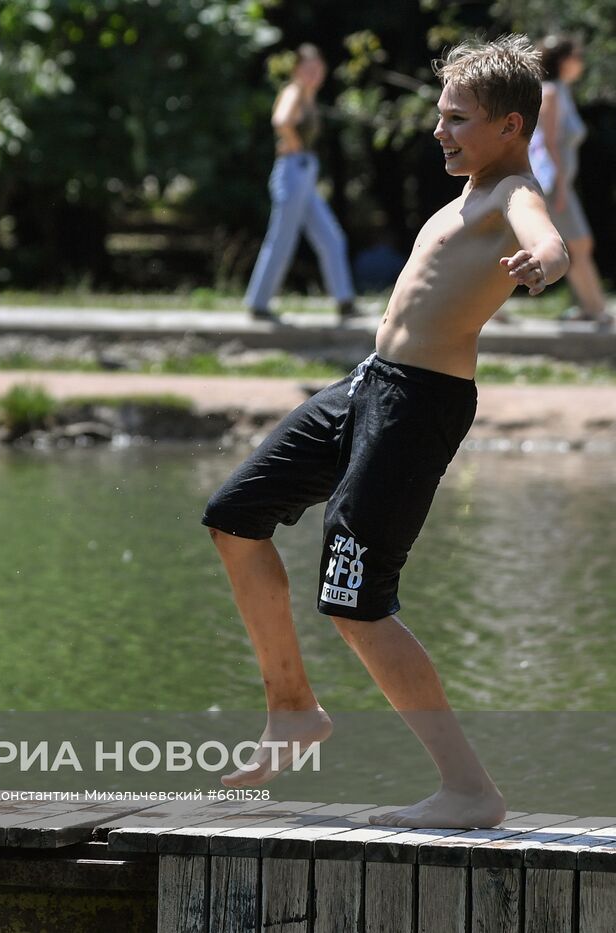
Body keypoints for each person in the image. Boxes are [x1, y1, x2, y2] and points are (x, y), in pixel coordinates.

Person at [202, 36, 568, 828]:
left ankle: (469, 789)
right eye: (439, 116)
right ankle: (292, 708)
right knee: (235, 517)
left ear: (509, 126)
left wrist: (543, 262)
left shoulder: (511, 192)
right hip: (369, 384)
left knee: (356, 599)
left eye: (458, 119)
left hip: (419, 404)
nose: (441, 131)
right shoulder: (468, 187)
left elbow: (548, 237)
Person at [244, 43, 358, 325]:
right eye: (308, 69)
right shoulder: (294, 91)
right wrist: (295, 146)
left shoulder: (308, 96)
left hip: (304, 174)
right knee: (281, 240)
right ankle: (258, 304)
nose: (314, 74)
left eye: (318, 69)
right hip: (292, 171)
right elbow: (281, 121)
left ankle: (344, 301)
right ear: (297, 70)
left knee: (331, 238)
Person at [530, 35, 610, 325]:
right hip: (554, 185)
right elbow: (547, 143)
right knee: (578, 244)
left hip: (560, 185)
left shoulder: (561, 91)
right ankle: (595, 309)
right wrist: (562, 186)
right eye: (577, 56)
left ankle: (591, 307)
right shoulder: (551, 93)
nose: (581, 62)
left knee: (579, 245)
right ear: (563, 61)